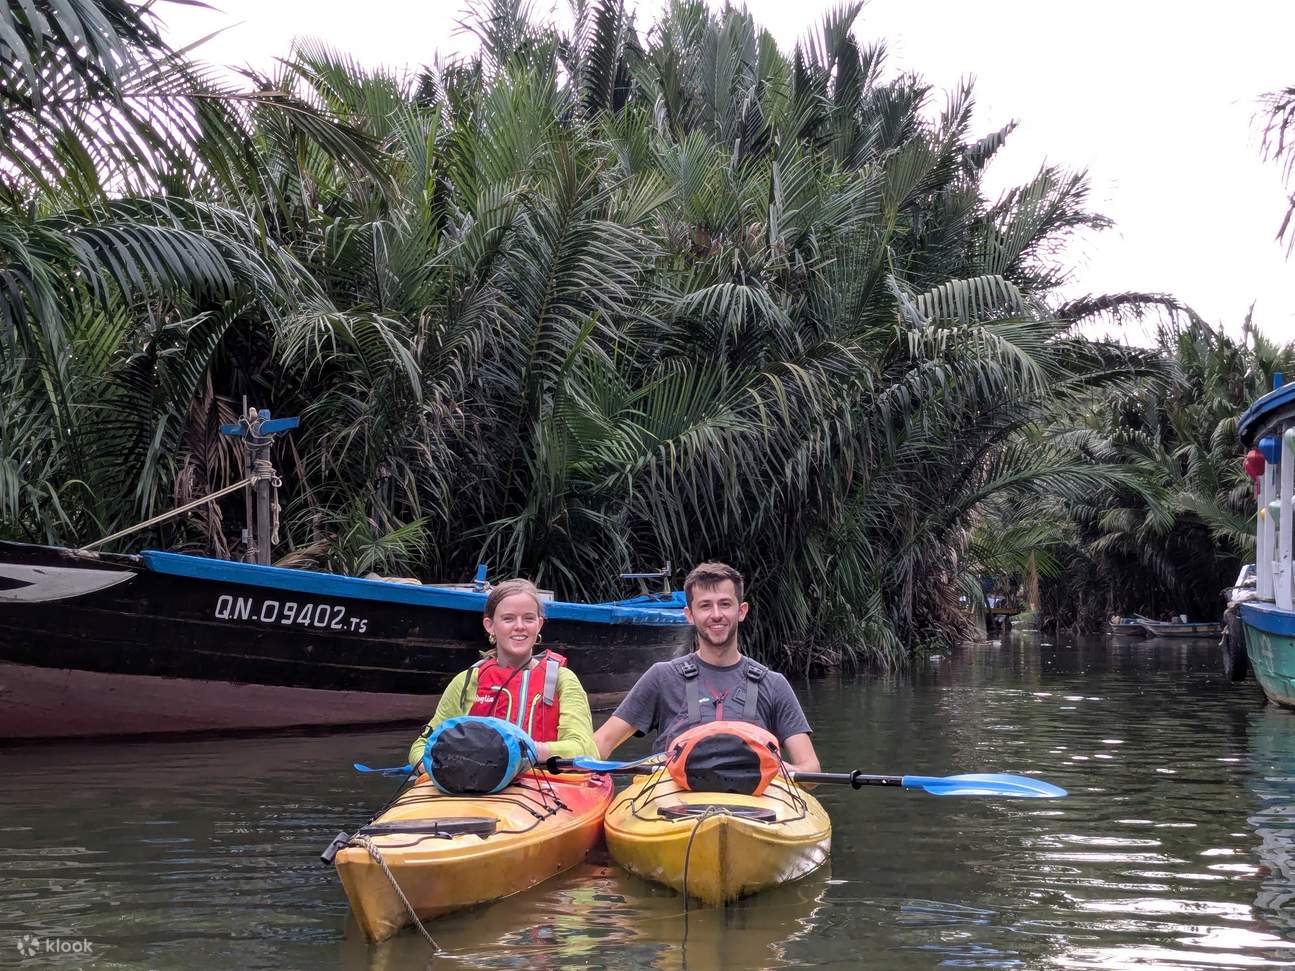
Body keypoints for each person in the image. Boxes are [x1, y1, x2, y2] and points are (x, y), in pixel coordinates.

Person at [592, 562, 821, 773]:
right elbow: (602, 743)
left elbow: (810, 767)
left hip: (753, 811)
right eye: (705, 606)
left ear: (741, 611)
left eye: (725, 604)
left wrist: (779, 770)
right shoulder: (662, 677)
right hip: (677, 809)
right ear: (690, 615)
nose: (716, 615)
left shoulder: (773, 684)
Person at [407, 579, 597, 765]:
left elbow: (584, 748)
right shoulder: (467, 681)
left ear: (539, 624)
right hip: (476, 785)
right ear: (490, 625)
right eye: (508, 618)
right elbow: (421, 746)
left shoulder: (562, 679)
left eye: (528, 618)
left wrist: (522, 750)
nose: (520, 626)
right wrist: (431, 767)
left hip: (542, 786)